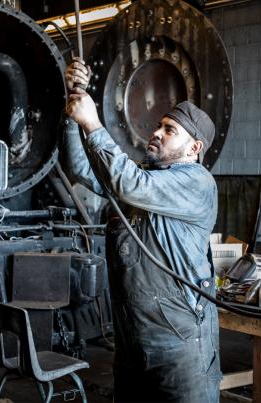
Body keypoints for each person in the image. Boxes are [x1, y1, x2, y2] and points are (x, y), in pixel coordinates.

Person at [62, 57, 221, 402]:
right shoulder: (143, 176)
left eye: (170, 130)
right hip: (132, 338)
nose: (156, 132)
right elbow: (81, 166)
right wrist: (75, 101)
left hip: (180, 345)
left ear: (194, 148)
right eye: (160, 125)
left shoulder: (197, 182)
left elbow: (126, 182)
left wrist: (92, 122)